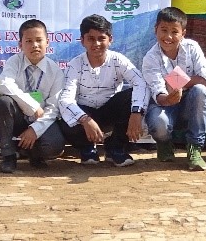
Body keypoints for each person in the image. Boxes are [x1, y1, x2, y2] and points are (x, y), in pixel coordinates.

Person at [56, 14, 148, 167]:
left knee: (132, 97)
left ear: (110, 39)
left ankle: (115, 148)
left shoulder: (118, 60)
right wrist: (85, 120)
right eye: (91, 39)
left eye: (101, 38)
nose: (96, 43)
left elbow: (140, 82)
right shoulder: (75, 65)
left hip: (109, 111)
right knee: (65, 118)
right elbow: (66, 99)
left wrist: (137, 113)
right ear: (82, 41)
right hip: (85, 114)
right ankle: (87, 147)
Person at [140, 7, 206, 170]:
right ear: (155, 30)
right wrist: (169, 97)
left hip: (190, 103)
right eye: (164, 30)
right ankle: (164, 143)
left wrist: (176, 83)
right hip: (165, 105)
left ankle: (195, 148)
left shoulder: (192, 47)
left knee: (200, 91)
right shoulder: (150, 58)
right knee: (159, 123)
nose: (168, 37)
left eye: (174, 31)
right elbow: (158, 93)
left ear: (183, 33)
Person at [0, 18, 66, 173]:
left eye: (39, 40)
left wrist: (35, 129)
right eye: (28, 41)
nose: (35, 45)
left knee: (54, 146)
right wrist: (32, 105)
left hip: (42, 120)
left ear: (48, 42)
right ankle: (8, 156)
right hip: (18, 119)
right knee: (3, 102)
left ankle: (35, 155)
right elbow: (4, 84)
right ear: (20, 45)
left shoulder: (56, 71)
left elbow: (53, 109)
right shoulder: (14, 62)